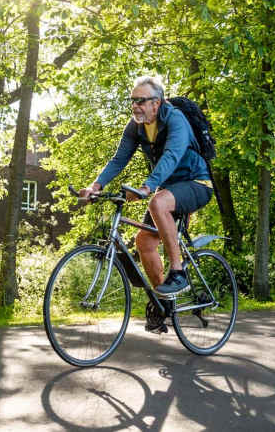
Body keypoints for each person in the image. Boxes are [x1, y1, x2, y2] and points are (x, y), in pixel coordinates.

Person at [79, 76, 213, 333]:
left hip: (196, 183)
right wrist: (96, 186)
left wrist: (147, 186)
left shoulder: (175, 120)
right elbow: (119, 159)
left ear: (156, 102)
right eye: (133, 101)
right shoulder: (136, 126)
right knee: (144, 242)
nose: (135, 106)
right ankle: (165, 302)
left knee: (157, 202)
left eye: (141, 101)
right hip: (169, 188)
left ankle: (178, 273)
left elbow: (173, 155)